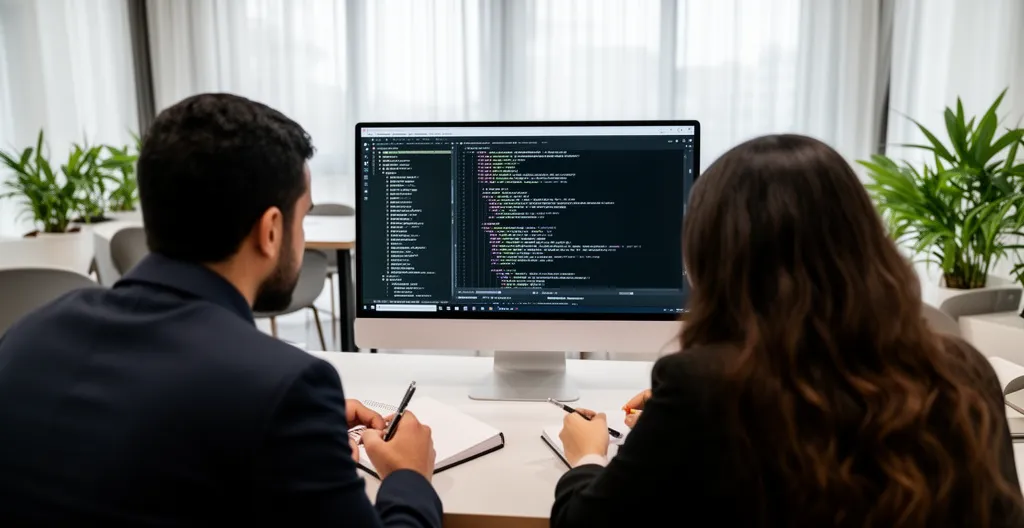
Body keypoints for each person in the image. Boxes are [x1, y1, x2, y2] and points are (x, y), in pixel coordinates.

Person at [0, 93, 441, 527]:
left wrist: (302, 439)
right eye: (303, 218)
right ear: (271, 230)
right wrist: (408, 476)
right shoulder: (283, 388)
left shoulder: (25, 338)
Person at [552, 134, 1024, 527]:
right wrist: (675, 423)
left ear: (715, 258)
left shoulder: (703, 387)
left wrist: (588, 455)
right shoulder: (965, 370)